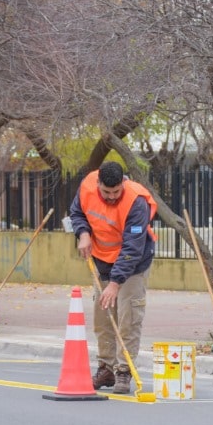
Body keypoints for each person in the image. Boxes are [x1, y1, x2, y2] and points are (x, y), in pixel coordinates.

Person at [68, 161, 158, 394]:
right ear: (98, 183)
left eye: (116, 192)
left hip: (133, 264)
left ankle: (123, 370)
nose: (111, 197)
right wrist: (83, 233)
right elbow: (77, 212)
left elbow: (132, 248)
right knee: (103, 317)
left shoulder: (136, 201)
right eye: (106, 192)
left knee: (128, 317)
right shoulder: (87, 186)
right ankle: (105, 368)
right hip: (101, 260)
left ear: (123, 184)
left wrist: (116, 283)